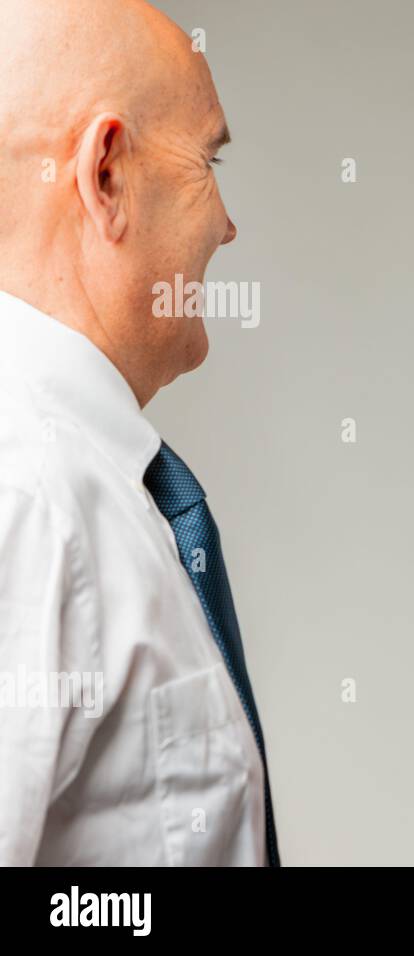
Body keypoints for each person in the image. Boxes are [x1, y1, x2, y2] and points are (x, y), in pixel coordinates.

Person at [0, 0, 276, 864]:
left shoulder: (89, 486)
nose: (228, 223)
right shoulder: (30, 495)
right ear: (107, 177)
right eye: (208, 160)